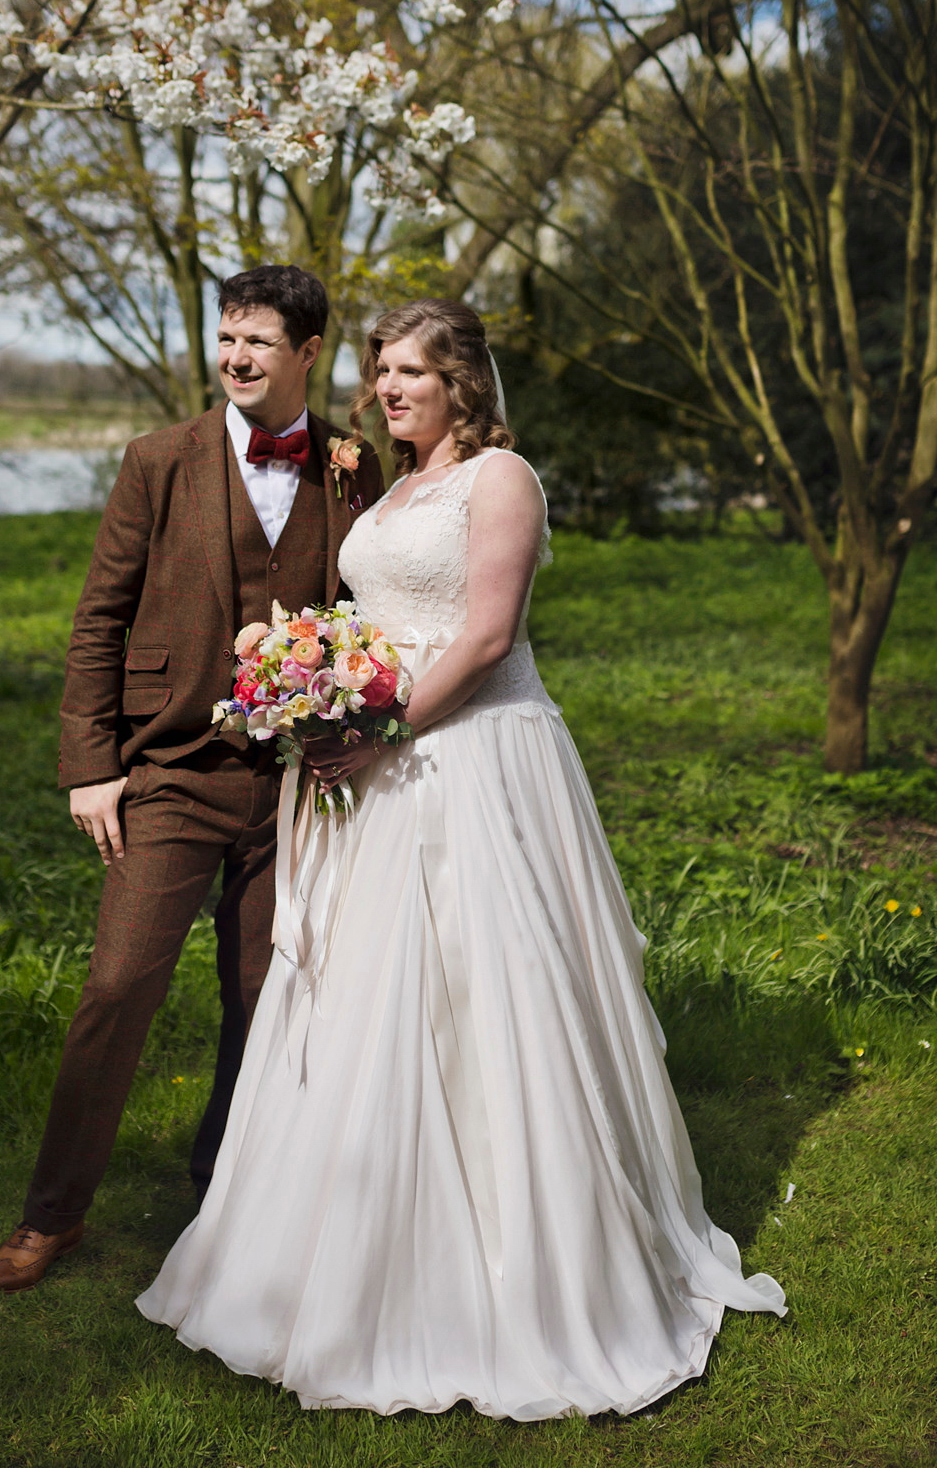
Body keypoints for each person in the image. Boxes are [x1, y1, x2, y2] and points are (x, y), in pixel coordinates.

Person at [136, 298, 785, 1419]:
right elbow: (371, 622)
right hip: (374, 763)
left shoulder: (503, 481)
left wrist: (376, 730)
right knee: (363, 1002)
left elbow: (485, 636)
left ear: (462, 385)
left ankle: (529, 1267)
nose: (388, 389)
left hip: (476, 755)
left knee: (495, 1000)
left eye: (412, 374)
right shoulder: (389, 492)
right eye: (381, 371)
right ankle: (331, 1261)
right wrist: (318, 692)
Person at [0, 264, 384, 1295]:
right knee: (117, 987)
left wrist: (353, 722)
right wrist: (92, 765)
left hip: (290, 785)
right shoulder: (158, 459)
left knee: (267, 1005)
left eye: (257, 342)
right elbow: (99, 617)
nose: (236, 357)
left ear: (305, 354)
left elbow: (366, 616)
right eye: (226, 338)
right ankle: (51, 1216)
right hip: (166, 772)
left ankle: (228, 1201)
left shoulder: (350, 463)